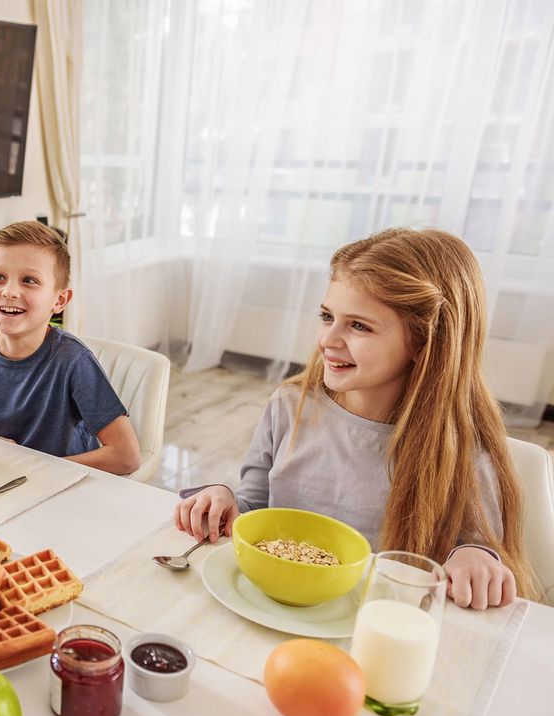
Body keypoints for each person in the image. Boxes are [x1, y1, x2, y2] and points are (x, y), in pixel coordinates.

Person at [174, 228, 540, 609]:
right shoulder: (289, 405)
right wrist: (224, 498)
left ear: (424, 343)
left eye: (359, 325)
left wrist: (476, 558)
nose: (329, 340)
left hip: (377, 622)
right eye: (327, 316)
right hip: (282, 605)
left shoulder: (457, 447)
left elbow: (476, 549)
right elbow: (255, 509)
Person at [0, 221, 141, 476]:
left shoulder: (73, 361)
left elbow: (126, 456)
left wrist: (27, 462)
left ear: (59, 300)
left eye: (29, 280)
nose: (9, 291)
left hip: (59, 489)